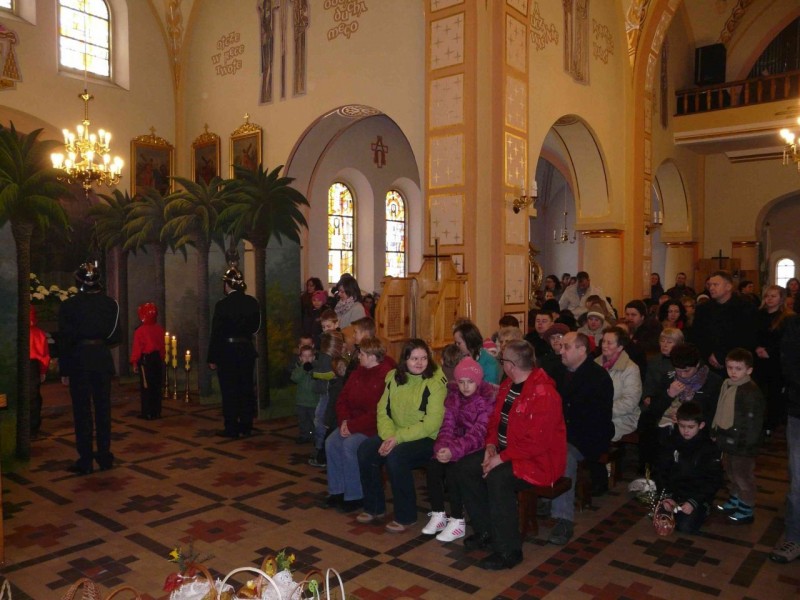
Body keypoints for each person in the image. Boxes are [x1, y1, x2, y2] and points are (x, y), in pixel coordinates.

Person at [456, 340, 566, 569]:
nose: (500, 363)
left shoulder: (544, 394)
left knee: (498, 479)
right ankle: (486, 531)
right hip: (508, 452)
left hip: (537, 461)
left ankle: (509, 550)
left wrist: (501, 458)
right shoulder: (508, 385)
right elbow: (495, 421)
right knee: (466, 467)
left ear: (511, 365)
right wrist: (490, 446)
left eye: (502, 359)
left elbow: (537, 443)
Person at [357, 339, 447, 532]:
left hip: (428, 438)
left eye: (424, 358)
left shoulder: (435, 382)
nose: (420, 363)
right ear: (405, 360)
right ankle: (374, 507)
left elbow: (431, 423)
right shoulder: (393, 377)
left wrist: (396, 439)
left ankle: (406, 516)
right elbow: (383, 411)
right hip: (396, 433)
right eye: (414, 358)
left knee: (396, 456)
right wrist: (389, 436)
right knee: (366, 450)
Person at [549, 332, 614, 542]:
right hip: (559, 432)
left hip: (586, 437)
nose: (561, 350)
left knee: (564, 456)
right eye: (561, 346)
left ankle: (563, 519)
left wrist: (561, 435)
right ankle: (539, 495)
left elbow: (597, 419)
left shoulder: (598, 377)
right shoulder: (556, 371)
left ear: (582, 350)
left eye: (566, 347)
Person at [422, 357, 495, 542]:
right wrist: (442, 447)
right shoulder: (453, 398)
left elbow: (479, 433)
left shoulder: (484, 401)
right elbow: (447, 426)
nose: (465, 386)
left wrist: (453, 451)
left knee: (455, 469)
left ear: (478, 381)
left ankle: (457, 520)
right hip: (457, 445)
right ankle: (438, 514)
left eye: (470, 382)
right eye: (461, 382)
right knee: (433, 464)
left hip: (478, 446)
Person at [58, 262, 121, 475]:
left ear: (79, 281)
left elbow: (65, 340)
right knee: (103, 410)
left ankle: (85, 460)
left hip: (78, 361)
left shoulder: (69, 305)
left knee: (82, 411)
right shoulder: (110, 304)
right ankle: (104, 456)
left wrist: (64, 370)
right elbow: (115, 336)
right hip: (101, 359)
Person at [324, 337, 395, 513]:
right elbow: (342, 399)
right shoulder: (357, 372)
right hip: (351, 423)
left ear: (372, 357)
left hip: (373, 428)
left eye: (361, 354)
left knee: (349, 445)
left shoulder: (386, 376)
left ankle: (355, 495)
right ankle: (337, 490)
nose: (358, 357)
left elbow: (378, 413)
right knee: (331, 442)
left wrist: (352, 426)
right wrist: (344, 421)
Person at [712, 348, 765, 524]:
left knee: (743, 476)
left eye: (738, 368)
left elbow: (753, 423)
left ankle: (746, 508)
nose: (733, 372)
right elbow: (720, 411)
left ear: (749, 370)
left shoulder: (750, 392)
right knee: (731, 473)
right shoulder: (728, 385)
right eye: (730, 368)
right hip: (729, 440)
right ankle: (735, 500)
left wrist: (745, 444)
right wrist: (716, 432)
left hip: (743, 445)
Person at [654, 401, 723, 534]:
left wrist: (693, 501)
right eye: (682, 426)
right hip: (674, 493)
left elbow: (714, 480)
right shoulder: (670, 442)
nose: (685, 431)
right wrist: (666, 496)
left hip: (696, 495)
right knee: (663, 522)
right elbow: (661, 471)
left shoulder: (709, 448)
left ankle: (705, 510)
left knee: (685, 526)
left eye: (691, 427)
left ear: (701, 425)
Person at [208, 266, 260, 439]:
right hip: (246, 351)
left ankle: (231, 427)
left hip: (227, 353)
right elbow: (256, 328)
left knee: (229, 390)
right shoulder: (252, 302)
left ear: (227, 284)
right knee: (246, 388)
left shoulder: (222, 305)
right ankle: (246, 425)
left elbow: (216, 333)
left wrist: (212, 357)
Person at [771, 312, 800, 563]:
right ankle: (795, 537)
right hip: (799, 410)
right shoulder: (794, 326)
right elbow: (790, 367)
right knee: (798, 480)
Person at [692, 270, 757, 377]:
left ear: (728, 286)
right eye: (710, 285)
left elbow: (747, 336)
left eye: (715, 284)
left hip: (736, 363)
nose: (711, 288)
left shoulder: (745, 308)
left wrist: (723, 356)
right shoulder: (703, 309)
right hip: (708, 363)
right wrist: (709, 354)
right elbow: (697, 335)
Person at [755, 285, 793, 435]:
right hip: (758, 359)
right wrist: (757, 347)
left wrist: (769, 351)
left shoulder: (788, 318)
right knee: (759, 392)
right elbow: (753, 334)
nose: (769, 299)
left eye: (773, 296)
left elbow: (786, 341)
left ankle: (771, 423)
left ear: (781, 298)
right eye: (767, 296)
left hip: (777, 361)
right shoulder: (759, 314)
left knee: (774, 394)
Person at [595, 326, 641, 441]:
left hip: (622, 418)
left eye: (609, 343)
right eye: (603, 341)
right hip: (596, 413)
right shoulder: (594, 364)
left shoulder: (631, 368)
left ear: (620, 347)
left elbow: (630, 402)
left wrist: (602, 411)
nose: (604, 345)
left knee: (594, 431)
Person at [309, 330, 346, 468]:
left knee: (322, 421)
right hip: (328, 392)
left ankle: (321, 450)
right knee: (322, 420)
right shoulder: (329, 356)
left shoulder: (329, 357)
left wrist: (313, 373)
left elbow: (329, 374)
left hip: (329, 394)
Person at [130, 302, 165, 420]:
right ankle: (157, 412)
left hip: (146, 361)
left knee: (146, 387)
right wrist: (162, 357)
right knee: (156, 386)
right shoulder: (159, 329)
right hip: (157, 360)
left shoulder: (140, 331)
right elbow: (162, 346)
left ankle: (147, 412)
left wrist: (134, 362)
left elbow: (137, 348)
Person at [29, 306, 51, 439]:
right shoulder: (38, 333)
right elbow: (44, 354)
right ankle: (32, 428)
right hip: (32, 367)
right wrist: (43, 371)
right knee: (33, 398)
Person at [290, 343, 316, 444]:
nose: (307, 358)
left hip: (314, 401)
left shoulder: (316, 368)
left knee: (314, 420)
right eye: (304, 356)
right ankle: (304, 435)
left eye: (309, 356)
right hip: (301, 402)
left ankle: (314, 435)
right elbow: (294, 378)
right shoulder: (298, 369)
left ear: (313, 357)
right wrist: (303, 369)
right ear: (300, 358)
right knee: (302, 420)